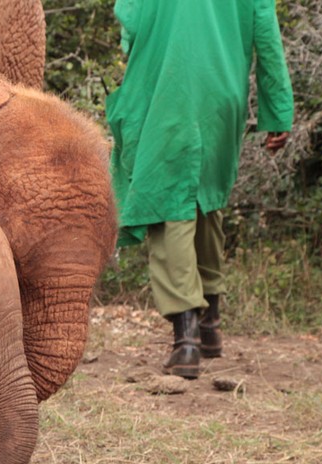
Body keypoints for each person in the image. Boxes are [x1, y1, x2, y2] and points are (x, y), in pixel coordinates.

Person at [107, 0, 294, 379]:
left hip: (167, 87)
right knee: (206, 200)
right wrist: (279, 110)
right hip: (222, 97)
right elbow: (267, 38)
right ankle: (211, 327)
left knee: (167, 202)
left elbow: (131, 21)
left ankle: (186, 339)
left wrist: (139, 49)